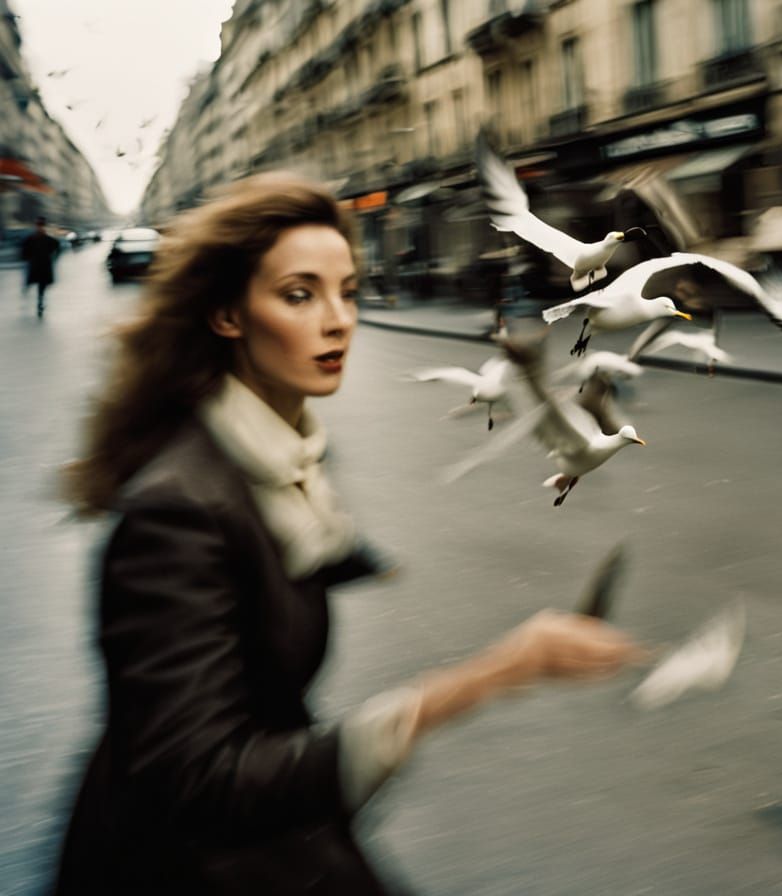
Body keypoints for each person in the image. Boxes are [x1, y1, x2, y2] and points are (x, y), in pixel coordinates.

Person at [54, 172, 645, 895]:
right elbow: (204, 783)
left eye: (348, 290)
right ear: (227, 314)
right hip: (182, 863)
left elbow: (276, 540)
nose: (339, 319)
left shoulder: (279, 450)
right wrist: (494, 673)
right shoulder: (177, 515)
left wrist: (347, 557)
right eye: (299, 294)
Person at [21, 216, 60, 318]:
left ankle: (40, 303)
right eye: (38, 226)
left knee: (41, 286)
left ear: (44, 226)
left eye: (41, 226)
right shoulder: (32, 238)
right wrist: (27, 258)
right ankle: (28, 288)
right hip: (35, 265)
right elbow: (25, 250)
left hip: (43, 266)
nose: (40, 227)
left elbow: (57, 246)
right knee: (33, 280)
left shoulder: (47, 239)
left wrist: (54, 257)